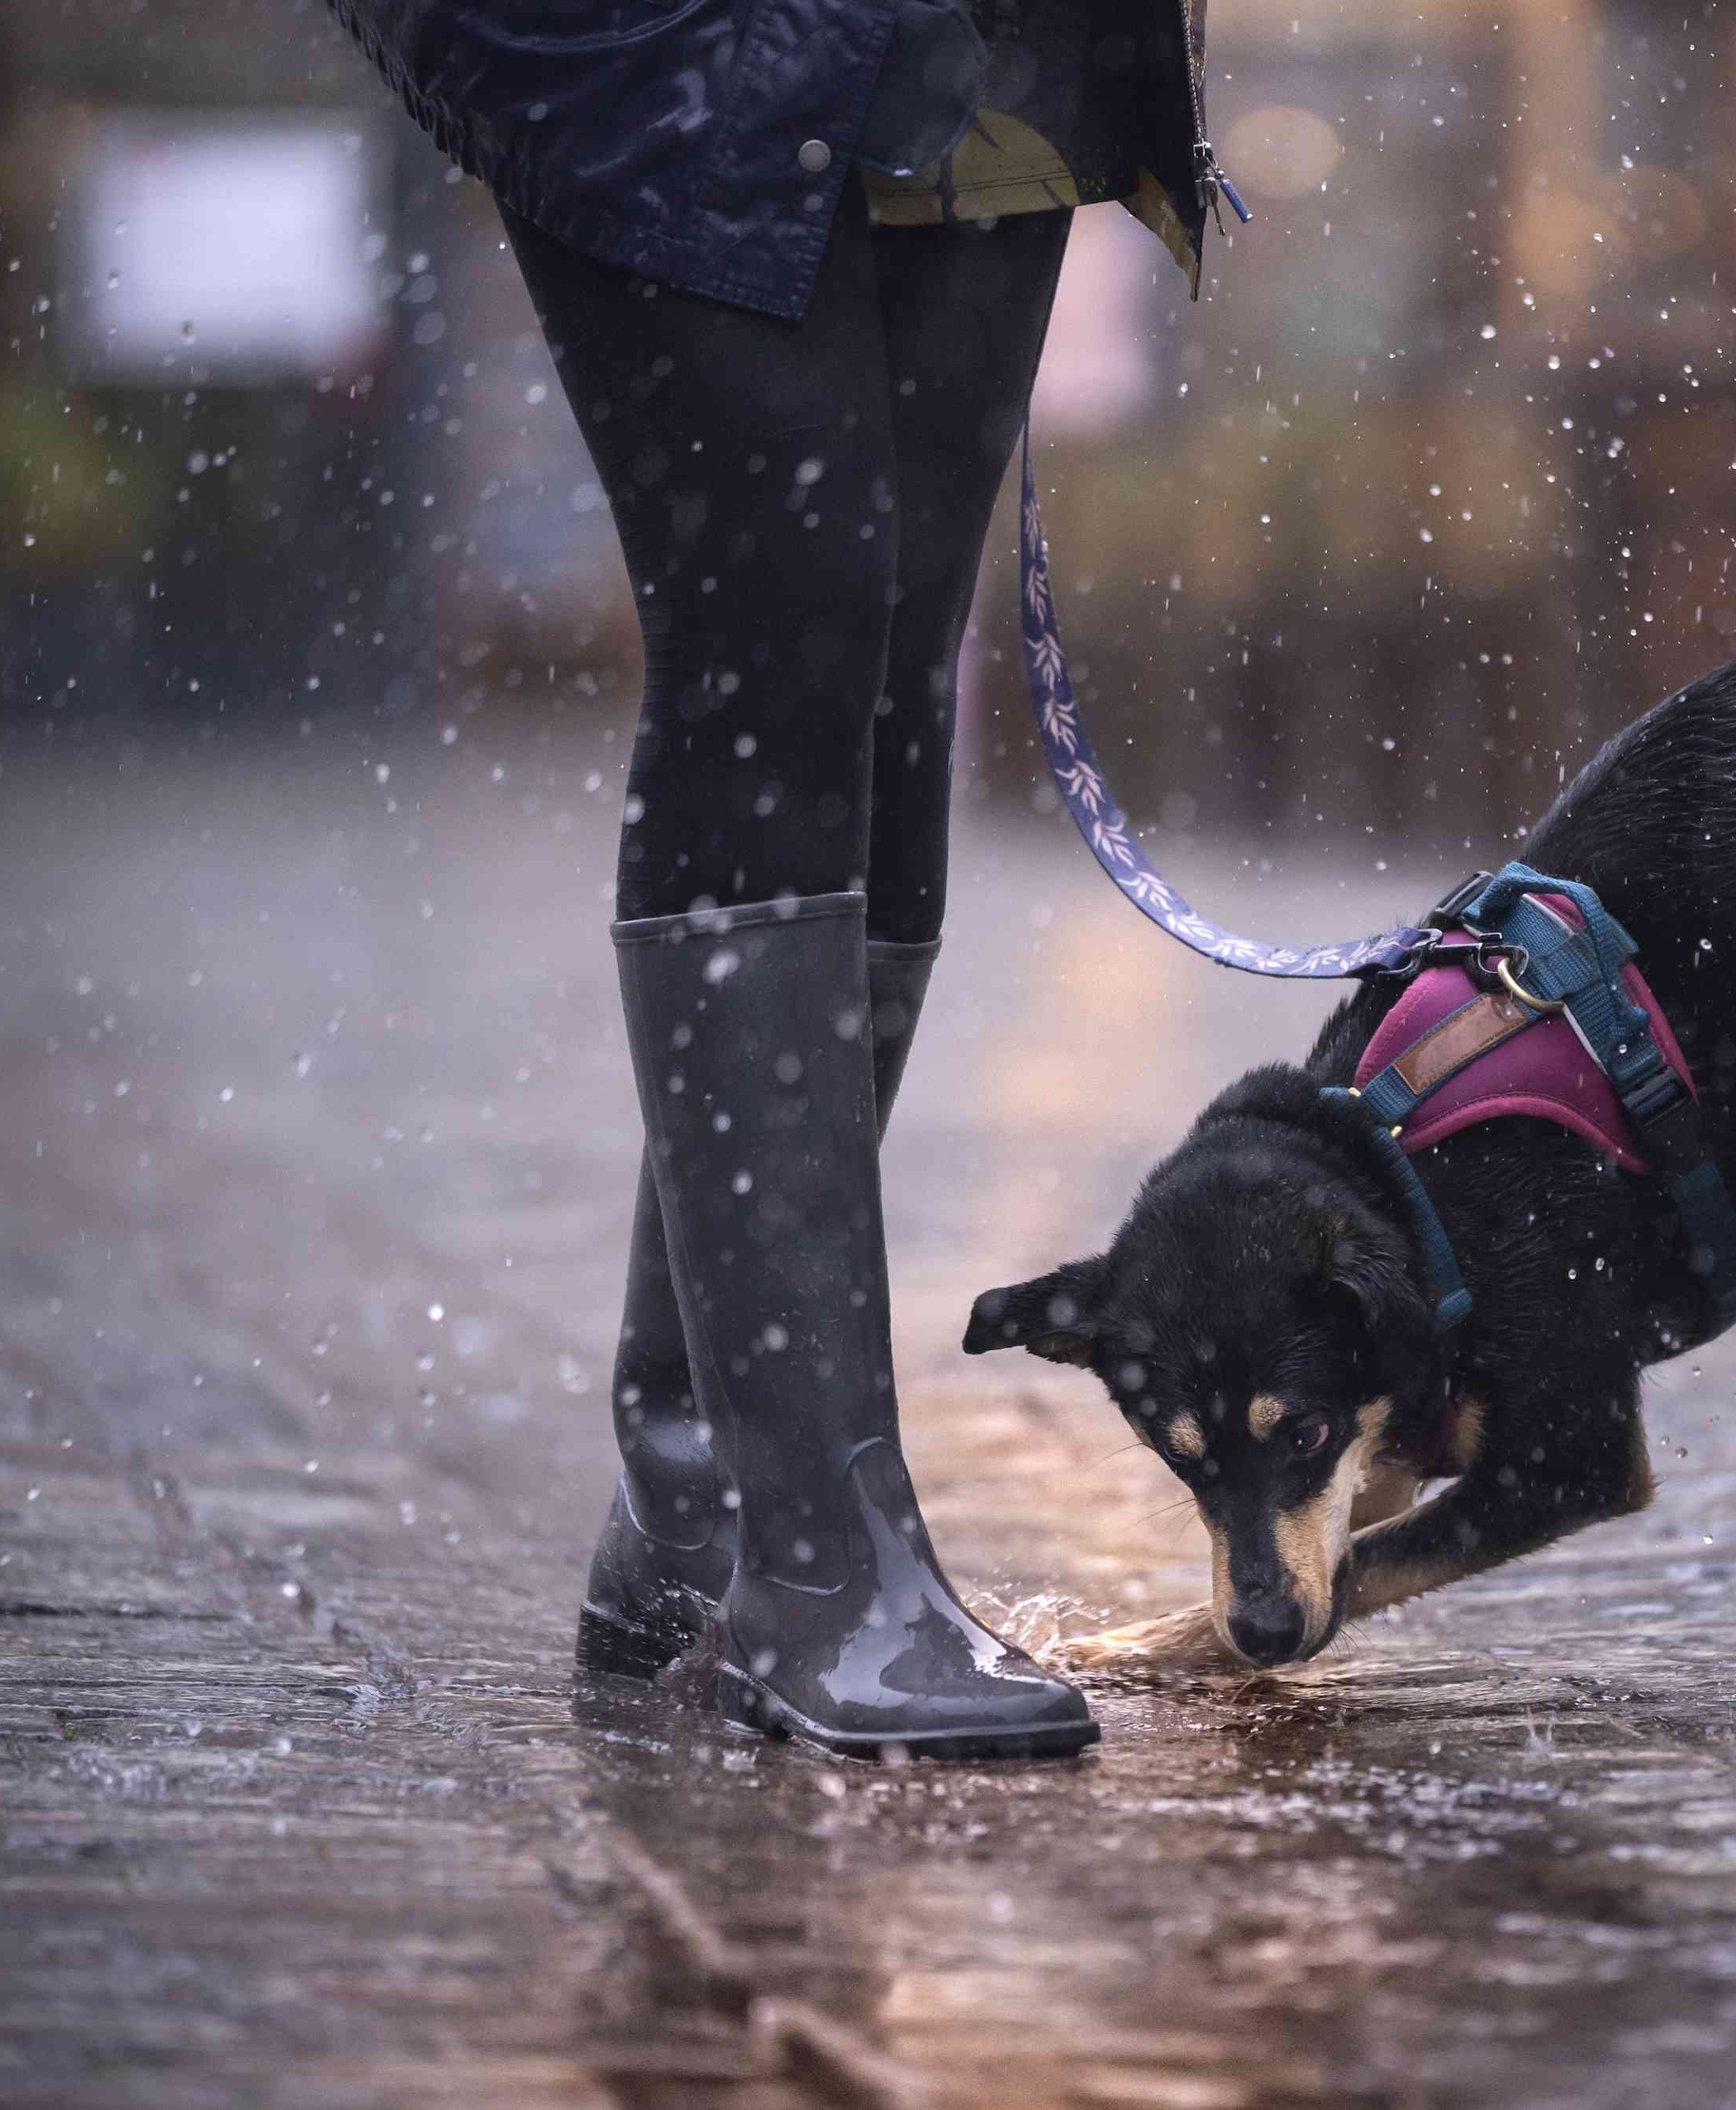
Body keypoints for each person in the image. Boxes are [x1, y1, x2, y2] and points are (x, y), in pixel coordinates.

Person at [324, 0, 1223, 1758]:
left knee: (887, 672)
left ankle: (705, 1490)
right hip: (669, 45)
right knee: (783, 624)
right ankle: (816, 1555)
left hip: (993, 51)